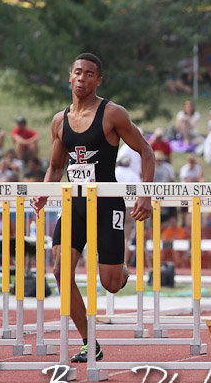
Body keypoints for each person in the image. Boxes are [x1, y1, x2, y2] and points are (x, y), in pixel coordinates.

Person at [32, 53, 155, 364]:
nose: (82, 78)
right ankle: (90, 341)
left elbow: (146, 151)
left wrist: (145, 195)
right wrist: (45, 193)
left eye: (89, 74)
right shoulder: (60, 121)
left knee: (111, 284)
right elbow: (57, 165)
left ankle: (122, 268)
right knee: (60, 271)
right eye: (77, 72)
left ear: (98, 80)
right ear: (69, 77)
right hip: (74, 203)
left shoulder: (112, 114)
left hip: (107, 203)